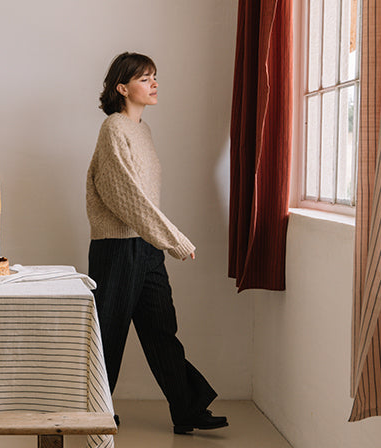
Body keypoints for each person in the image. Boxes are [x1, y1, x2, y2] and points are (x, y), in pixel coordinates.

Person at [85, 52, 228, 434]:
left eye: (154, 77)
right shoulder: (114, 128)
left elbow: (141, 200)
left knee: (161, 329)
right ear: (122, 88)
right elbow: (127, 197)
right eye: (145, 78)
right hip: (117, 248)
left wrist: (159, 241)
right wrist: (173, 239)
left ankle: (187, 409)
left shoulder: (142, 131)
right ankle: (96, 414)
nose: (154, 83)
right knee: (109, 335)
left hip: (145, 246)